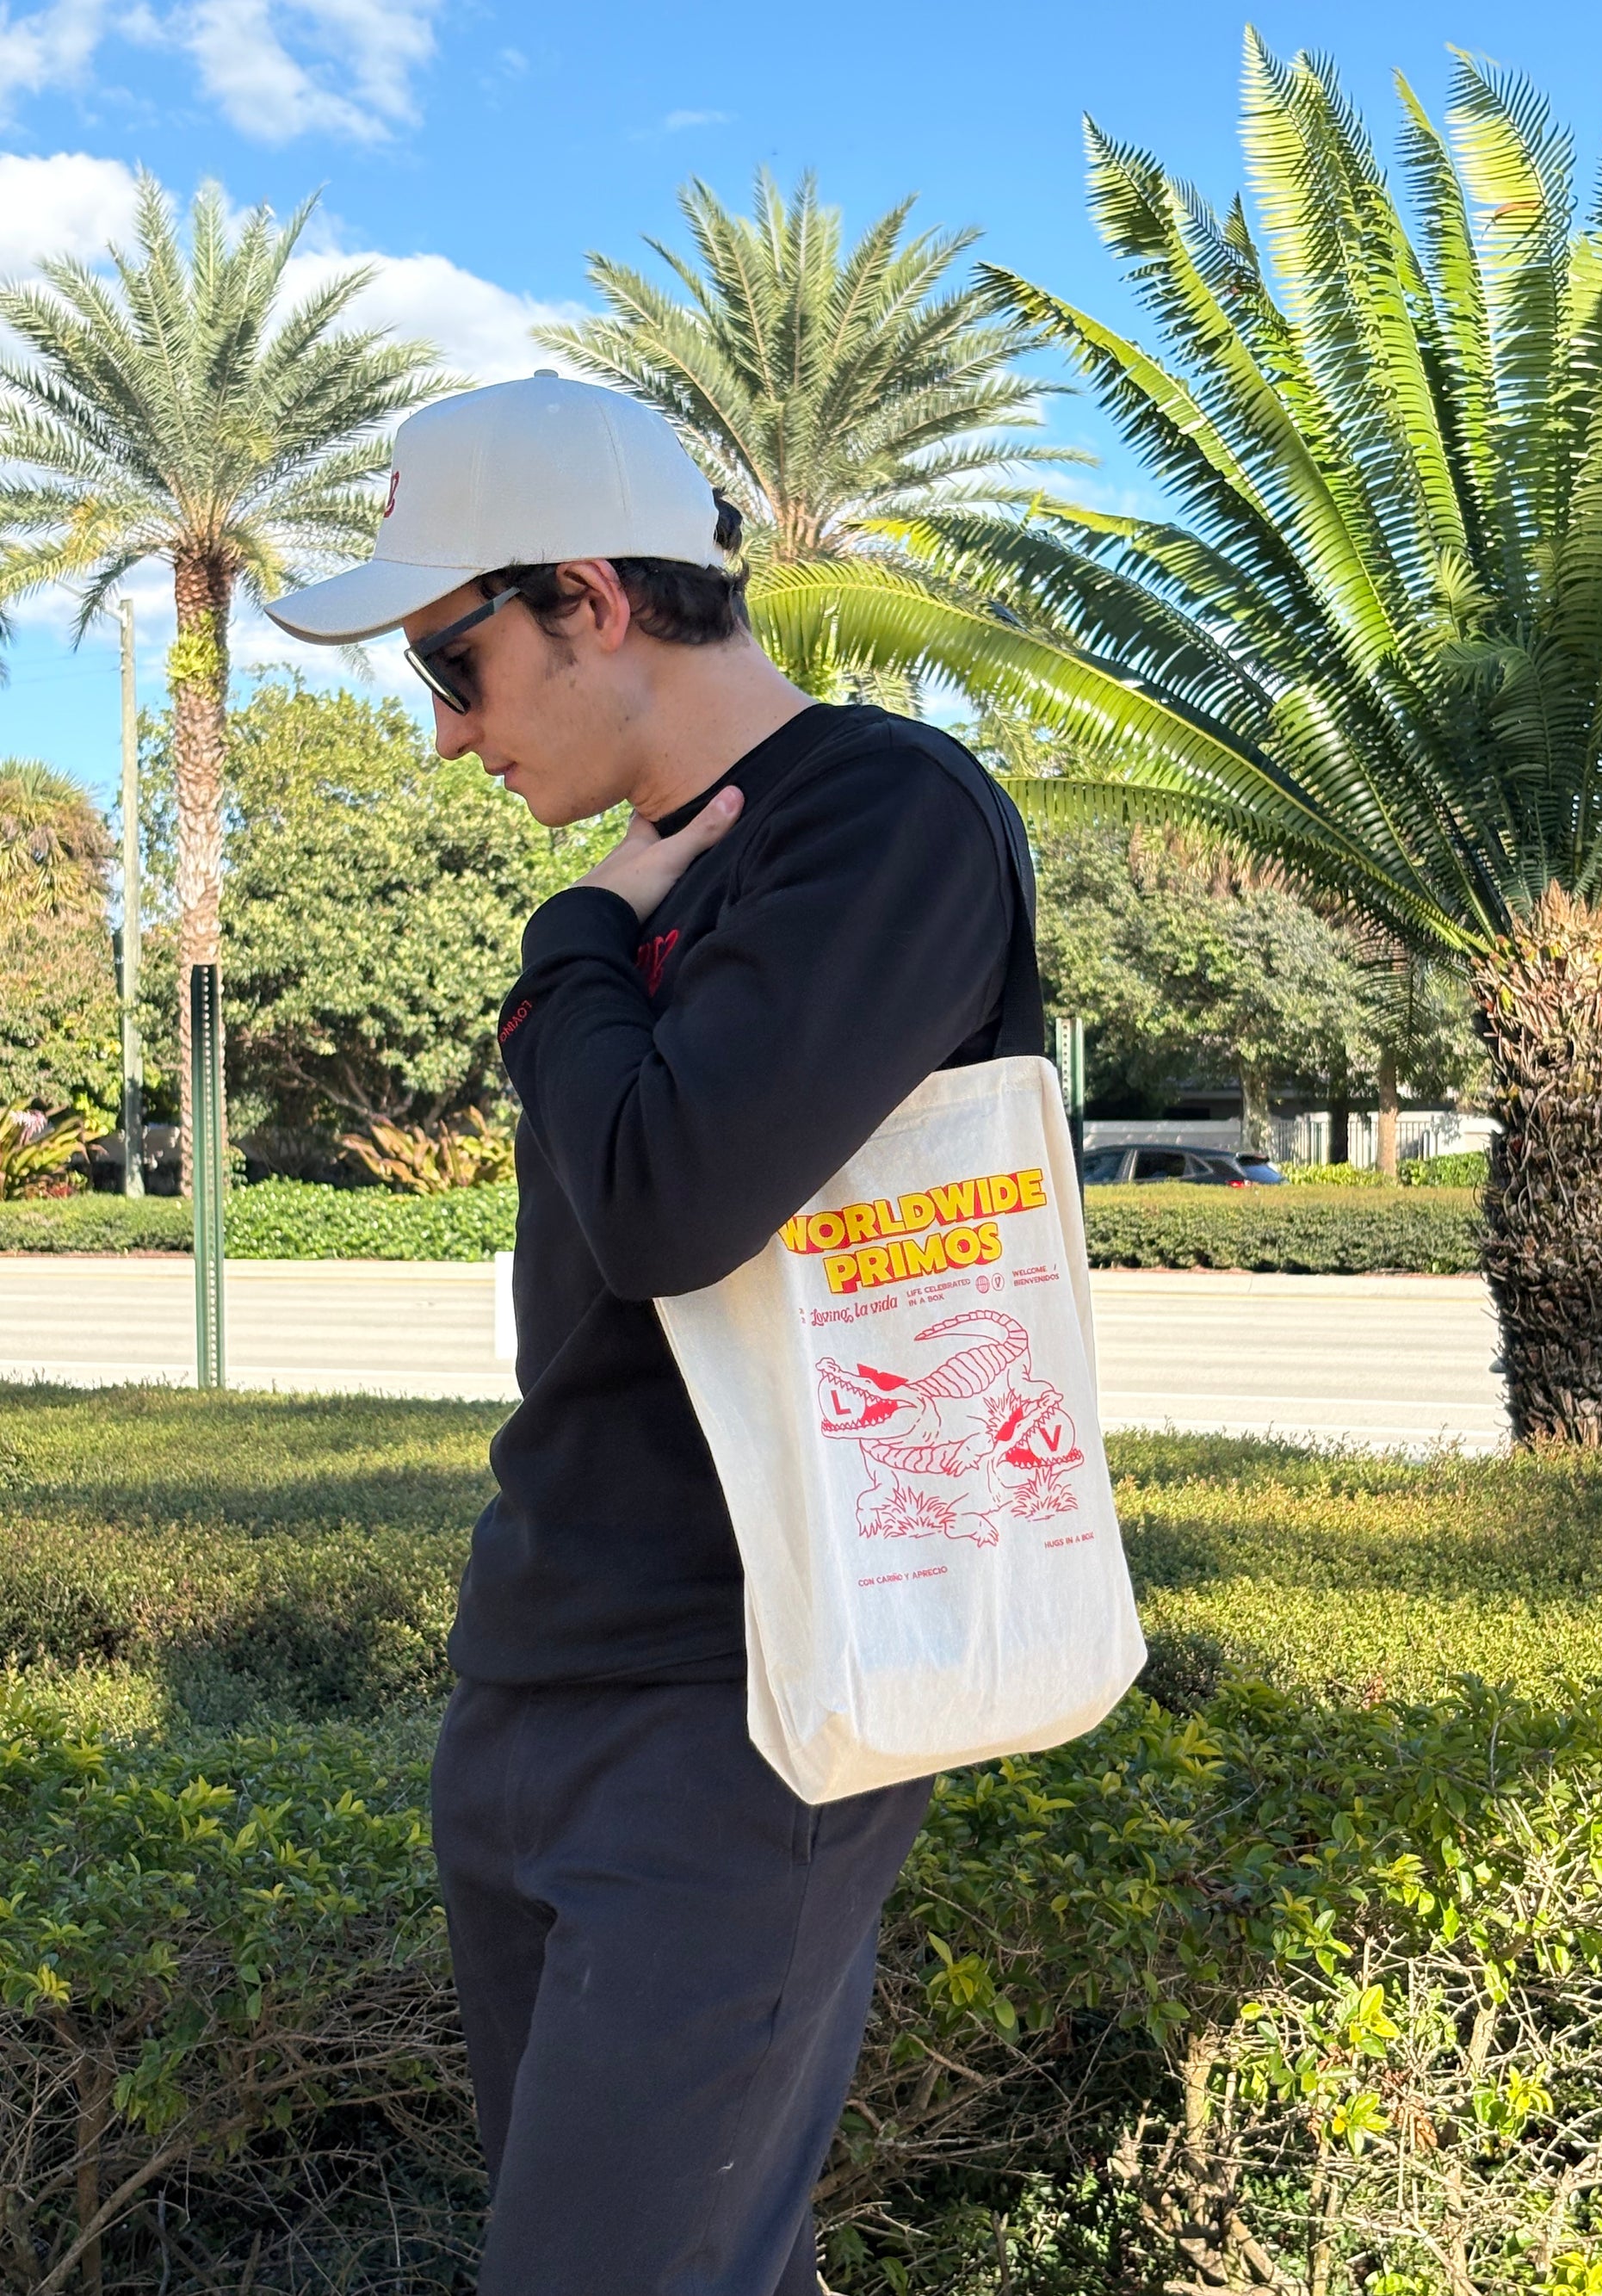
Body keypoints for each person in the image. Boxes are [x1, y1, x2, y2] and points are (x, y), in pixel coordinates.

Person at [267, 373, 1040, 2296]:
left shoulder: (884, 818)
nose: (446, 735)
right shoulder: (652, 871)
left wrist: (571, 950)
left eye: (456, 663)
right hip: (539, 1662)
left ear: (593, 600)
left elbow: (671, 1202)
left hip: (752, 1686)